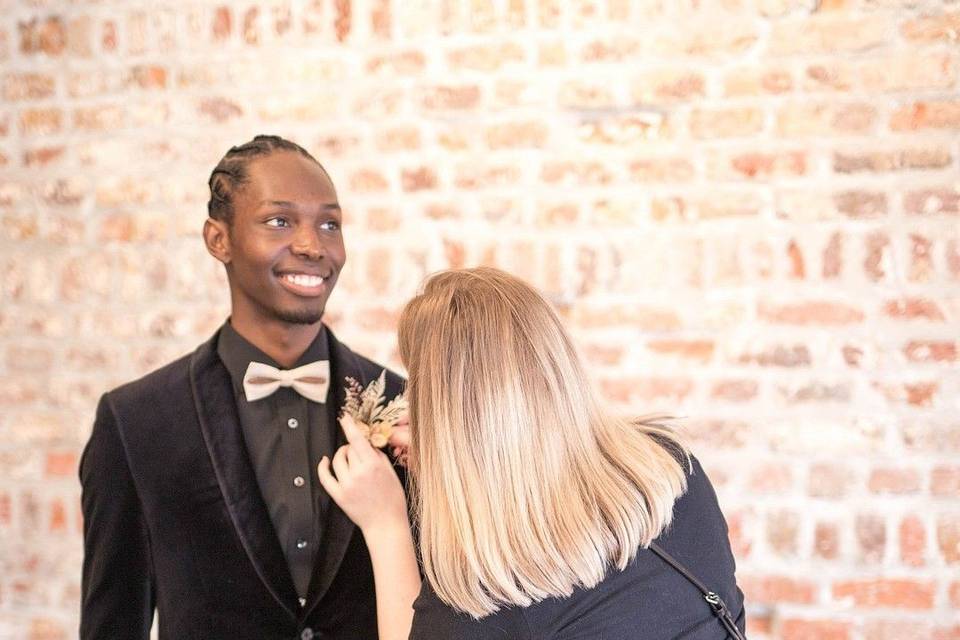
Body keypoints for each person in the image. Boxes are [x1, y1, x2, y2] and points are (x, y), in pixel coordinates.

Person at [79, 135, 405, 640]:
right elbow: (112, 624)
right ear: (218, 240)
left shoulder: (405, 405)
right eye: (279, 221)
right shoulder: (135, 422)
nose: (312, 245)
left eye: (329, 224)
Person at [319, 267, 746, 640]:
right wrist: (452, 459)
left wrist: (385, 523)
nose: (410, 403)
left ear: (458, 417)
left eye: (422, 388)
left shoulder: (489, 594)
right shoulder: (674, 470)